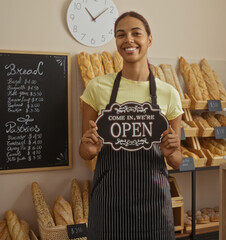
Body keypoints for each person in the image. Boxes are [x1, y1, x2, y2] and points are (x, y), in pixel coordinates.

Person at [79, 11, 183, 239]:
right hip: (109, 202)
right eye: (121, 34)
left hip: (154, 204)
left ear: (149, 39)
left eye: (136, 33)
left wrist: (172, 151)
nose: (129, 40)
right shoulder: (96, 88)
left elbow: (177, 162)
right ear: (116, 41)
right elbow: (85, 151)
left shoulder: (169, 94)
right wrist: (89, 148)